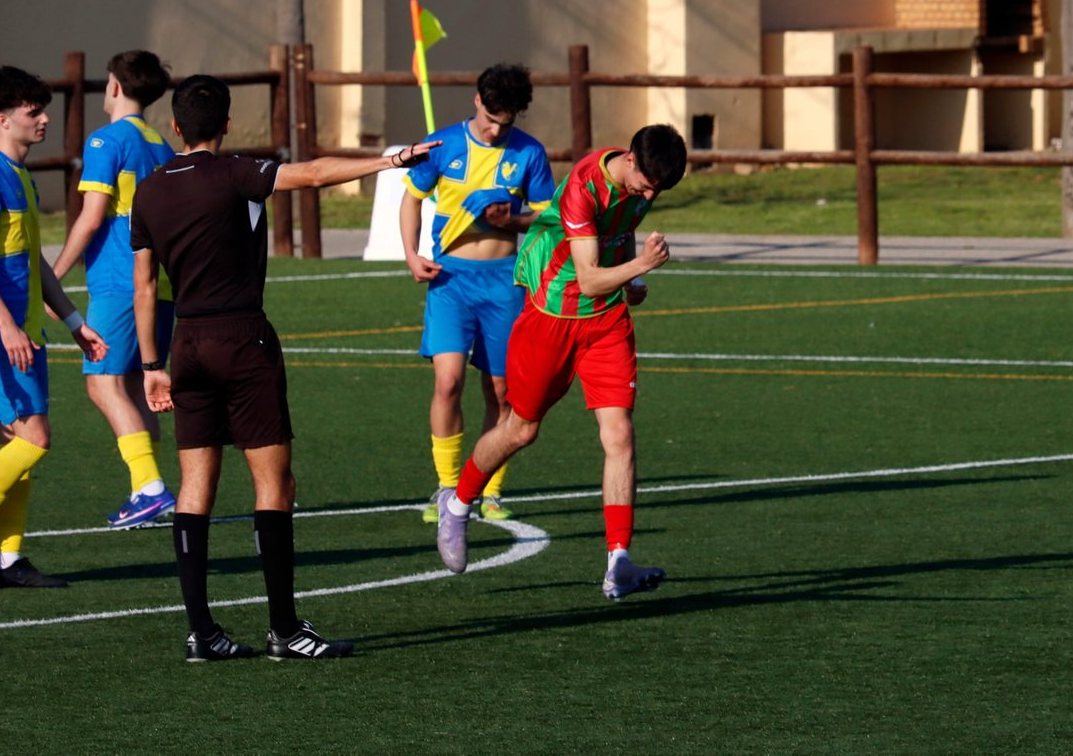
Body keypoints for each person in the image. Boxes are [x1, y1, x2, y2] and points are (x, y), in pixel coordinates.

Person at [130, 74, 437, 661]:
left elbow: (144, 287)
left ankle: (202, 633)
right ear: (227, 124)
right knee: (274, 482)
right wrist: (392, 160)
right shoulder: (237, 172)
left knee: (195, 486)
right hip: (243, 338)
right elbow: (315, 174)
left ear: (174, 126)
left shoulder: (148, 191)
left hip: (185, 343)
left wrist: (150, 364)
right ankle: (284, 629)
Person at [435, 124, 686, 602]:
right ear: (630, 160)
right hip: (552, 316)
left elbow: (622, 231)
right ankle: (459, 503)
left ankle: (618, 562)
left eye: (659, 190)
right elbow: (588, 279)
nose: (650, 195)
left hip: (605, 322)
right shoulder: (585, 186)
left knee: (620, 434)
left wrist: (628, 279)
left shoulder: (643, 181)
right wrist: (640, 267)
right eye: (647, 185)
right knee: (521, 429)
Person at [0, 66, 108, 588]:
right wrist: (6, 328)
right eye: (33, 112)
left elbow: (33, 261)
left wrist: (74, 322)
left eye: (43, 110)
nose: (43, 120)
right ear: (2, 119)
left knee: (16, 446)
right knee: (35, 439)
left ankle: (8, 558)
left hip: (25, 330)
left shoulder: (21, 177)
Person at [401, 64, 553, 524]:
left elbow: (549, 218)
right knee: (448, 382)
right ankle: (447, 485)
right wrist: (411, 255)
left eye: (505, 123)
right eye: (489, 119)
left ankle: (488, 488)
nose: (495, 130)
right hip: (450, 280)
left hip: (504, 282)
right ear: (476, 101)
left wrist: (513, 221)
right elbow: (412, 198)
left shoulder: (529, 152)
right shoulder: (443, 144)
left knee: (502, 393)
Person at [52, 50, 179, 529]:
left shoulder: (105, 141)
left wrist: (53, 277)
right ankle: (147, 491)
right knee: (137, 385)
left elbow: (91, 217)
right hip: (158, 285)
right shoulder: (162, 146)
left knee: (103, 382)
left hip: (119, 282)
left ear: (114, 87)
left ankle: (150, 487)